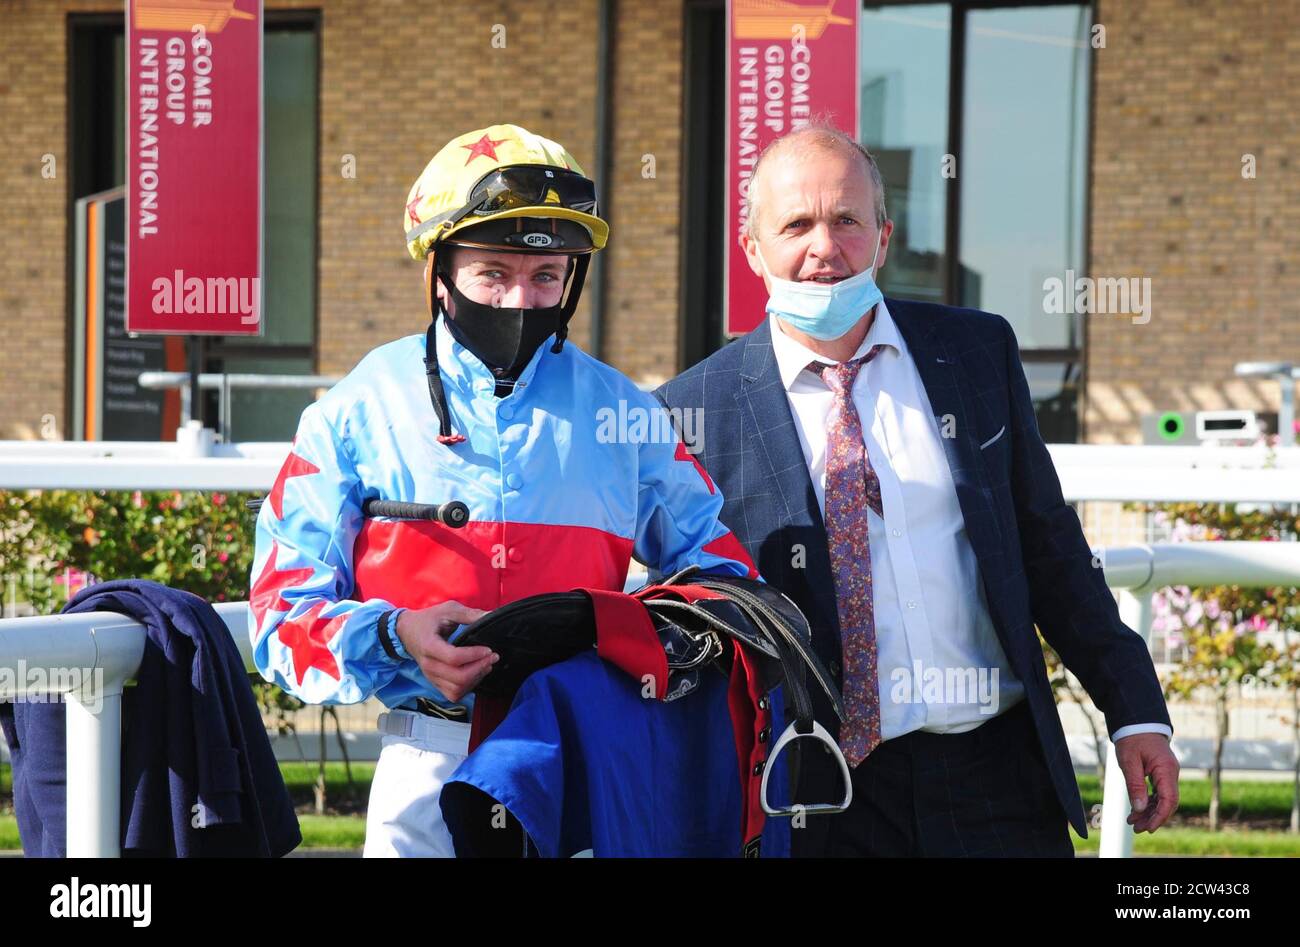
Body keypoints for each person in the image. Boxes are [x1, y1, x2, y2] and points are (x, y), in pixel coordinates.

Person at [655, 123, 1179, 857]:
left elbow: (1050, 548)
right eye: (796, 224)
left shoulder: (975, 353)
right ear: (752, 249)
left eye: (846, 220)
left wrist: (1135, 712)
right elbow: (687, 610)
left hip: (998, 779)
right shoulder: (691, 411)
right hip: (819, 793)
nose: (823, 247)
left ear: (884, 236)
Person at [249, 124, 757, 857]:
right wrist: (395, 635)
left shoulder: (629, 416)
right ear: (439, 272)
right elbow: (277, 616)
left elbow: (726, 584)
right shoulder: (353, 410)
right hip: (425, 762)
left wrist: (620, 635)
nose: (521, 298)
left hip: (580, 757)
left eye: (546, 276)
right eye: (492, 273)